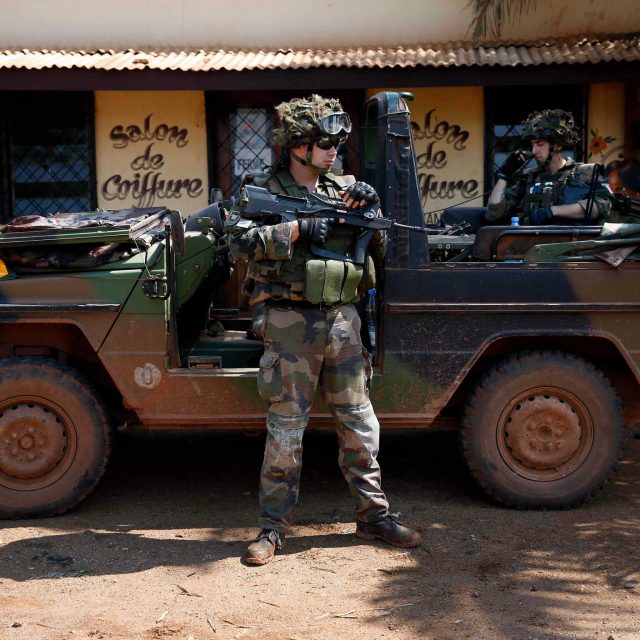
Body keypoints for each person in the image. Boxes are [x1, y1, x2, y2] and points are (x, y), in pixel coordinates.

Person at [225, 94, 421, 566]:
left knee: (359, 423)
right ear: (298, 145)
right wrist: (297, 230)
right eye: (324, 142)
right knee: (287, 430)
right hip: (290, 322)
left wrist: (371, 213)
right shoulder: (261, 188)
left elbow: (380, 244)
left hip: (344, 321)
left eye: (337, 142)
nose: (334, 150)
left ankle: (374, 516)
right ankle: (273, 528)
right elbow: (237, 240)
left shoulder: (347, 188)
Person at [487, 109, 611, 225]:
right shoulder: (527, 178)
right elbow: (493, 214)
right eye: (532, 145)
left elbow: (602, 205)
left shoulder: (585, 173)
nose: (534, 150)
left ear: (557, 146)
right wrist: (504, 175)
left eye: (540, 144)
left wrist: (553, 211)